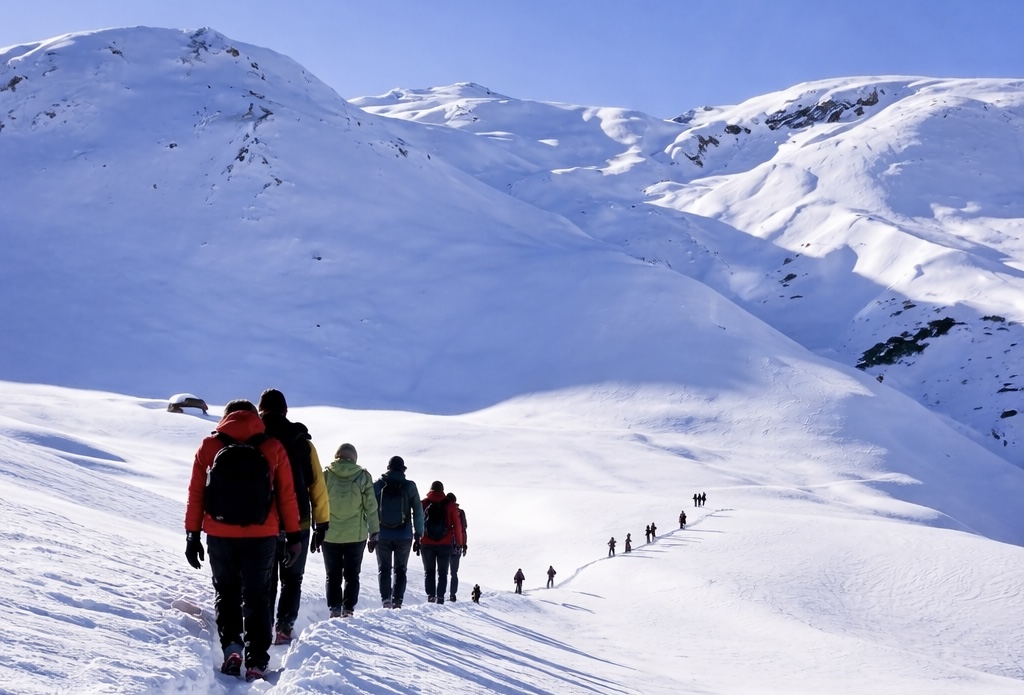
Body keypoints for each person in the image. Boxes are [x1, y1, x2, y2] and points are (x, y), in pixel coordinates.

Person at [184, 399, 302, 683]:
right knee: (258, 597)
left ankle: (232, 649)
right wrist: (294, 536)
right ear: (255, 416)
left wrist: (192, 534)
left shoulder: (210, 446)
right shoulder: (272, 447)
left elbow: (196, 493)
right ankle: (257, 662)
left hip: (220, 533)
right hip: (262, 535)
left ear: (226, 418)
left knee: (226, 591)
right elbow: (287, 495)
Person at [257, 388, 330, 645]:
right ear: (286, 412)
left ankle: (261, 629)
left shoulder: (253, 437)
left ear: (260, 410)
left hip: (260, 523)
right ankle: (284, 628)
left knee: (264, 580)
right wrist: (323, 524)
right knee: (292, 579)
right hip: (297, 523)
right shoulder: (302, 442)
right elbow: (317, 486)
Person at [319, 443, 378, 618]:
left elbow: (317, 503)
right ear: (354, 458)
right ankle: (348, 609)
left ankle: (334, 609)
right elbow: (371, 507)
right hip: (356, 535)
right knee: (352, 574)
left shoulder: (326, 475)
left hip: (330, 534)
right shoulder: (363, 476)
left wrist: (317, 529)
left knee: (332, 574)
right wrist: (374, 532)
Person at [372, 455, 424, 609]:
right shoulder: (410, 486)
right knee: (400, 569)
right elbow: (418, 511)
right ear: (403, 469)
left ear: (388, 468)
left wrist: (371, 532)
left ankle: (386, 600)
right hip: (404, 535)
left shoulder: (378, 485)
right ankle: (398, 601)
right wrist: (419, 534)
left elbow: (369, 509)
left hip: (382, 534)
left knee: (384, 568)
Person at [420, 481, 465, 604]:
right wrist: (459, 543)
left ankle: (430, 596)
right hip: (445, 544)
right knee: (443, 572)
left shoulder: (424, 503)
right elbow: (457, 525)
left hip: (426, 542)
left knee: (429, 571)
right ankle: (440, 597)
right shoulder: (450, 505)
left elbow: (418, 523)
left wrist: (417, 539)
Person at [445, 492, 468, 602]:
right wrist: (464, 544)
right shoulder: (460, 512)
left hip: (444, 545)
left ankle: (439, 594)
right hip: (457, 546)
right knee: (454, 573)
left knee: (442, 572)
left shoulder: (442, 509)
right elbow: (463, 529)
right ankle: (452, 595)